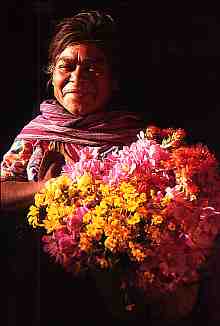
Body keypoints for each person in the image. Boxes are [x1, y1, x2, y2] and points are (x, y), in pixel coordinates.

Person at [1, 9, 218, 326]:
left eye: (92, 68)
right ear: (52, 75)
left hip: (114, 294)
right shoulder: (35, 135)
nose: (78, 78)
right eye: (67, 66)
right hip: (38, 288)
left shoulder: (140, 140)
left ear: (114, 80)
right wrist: (45, 189)